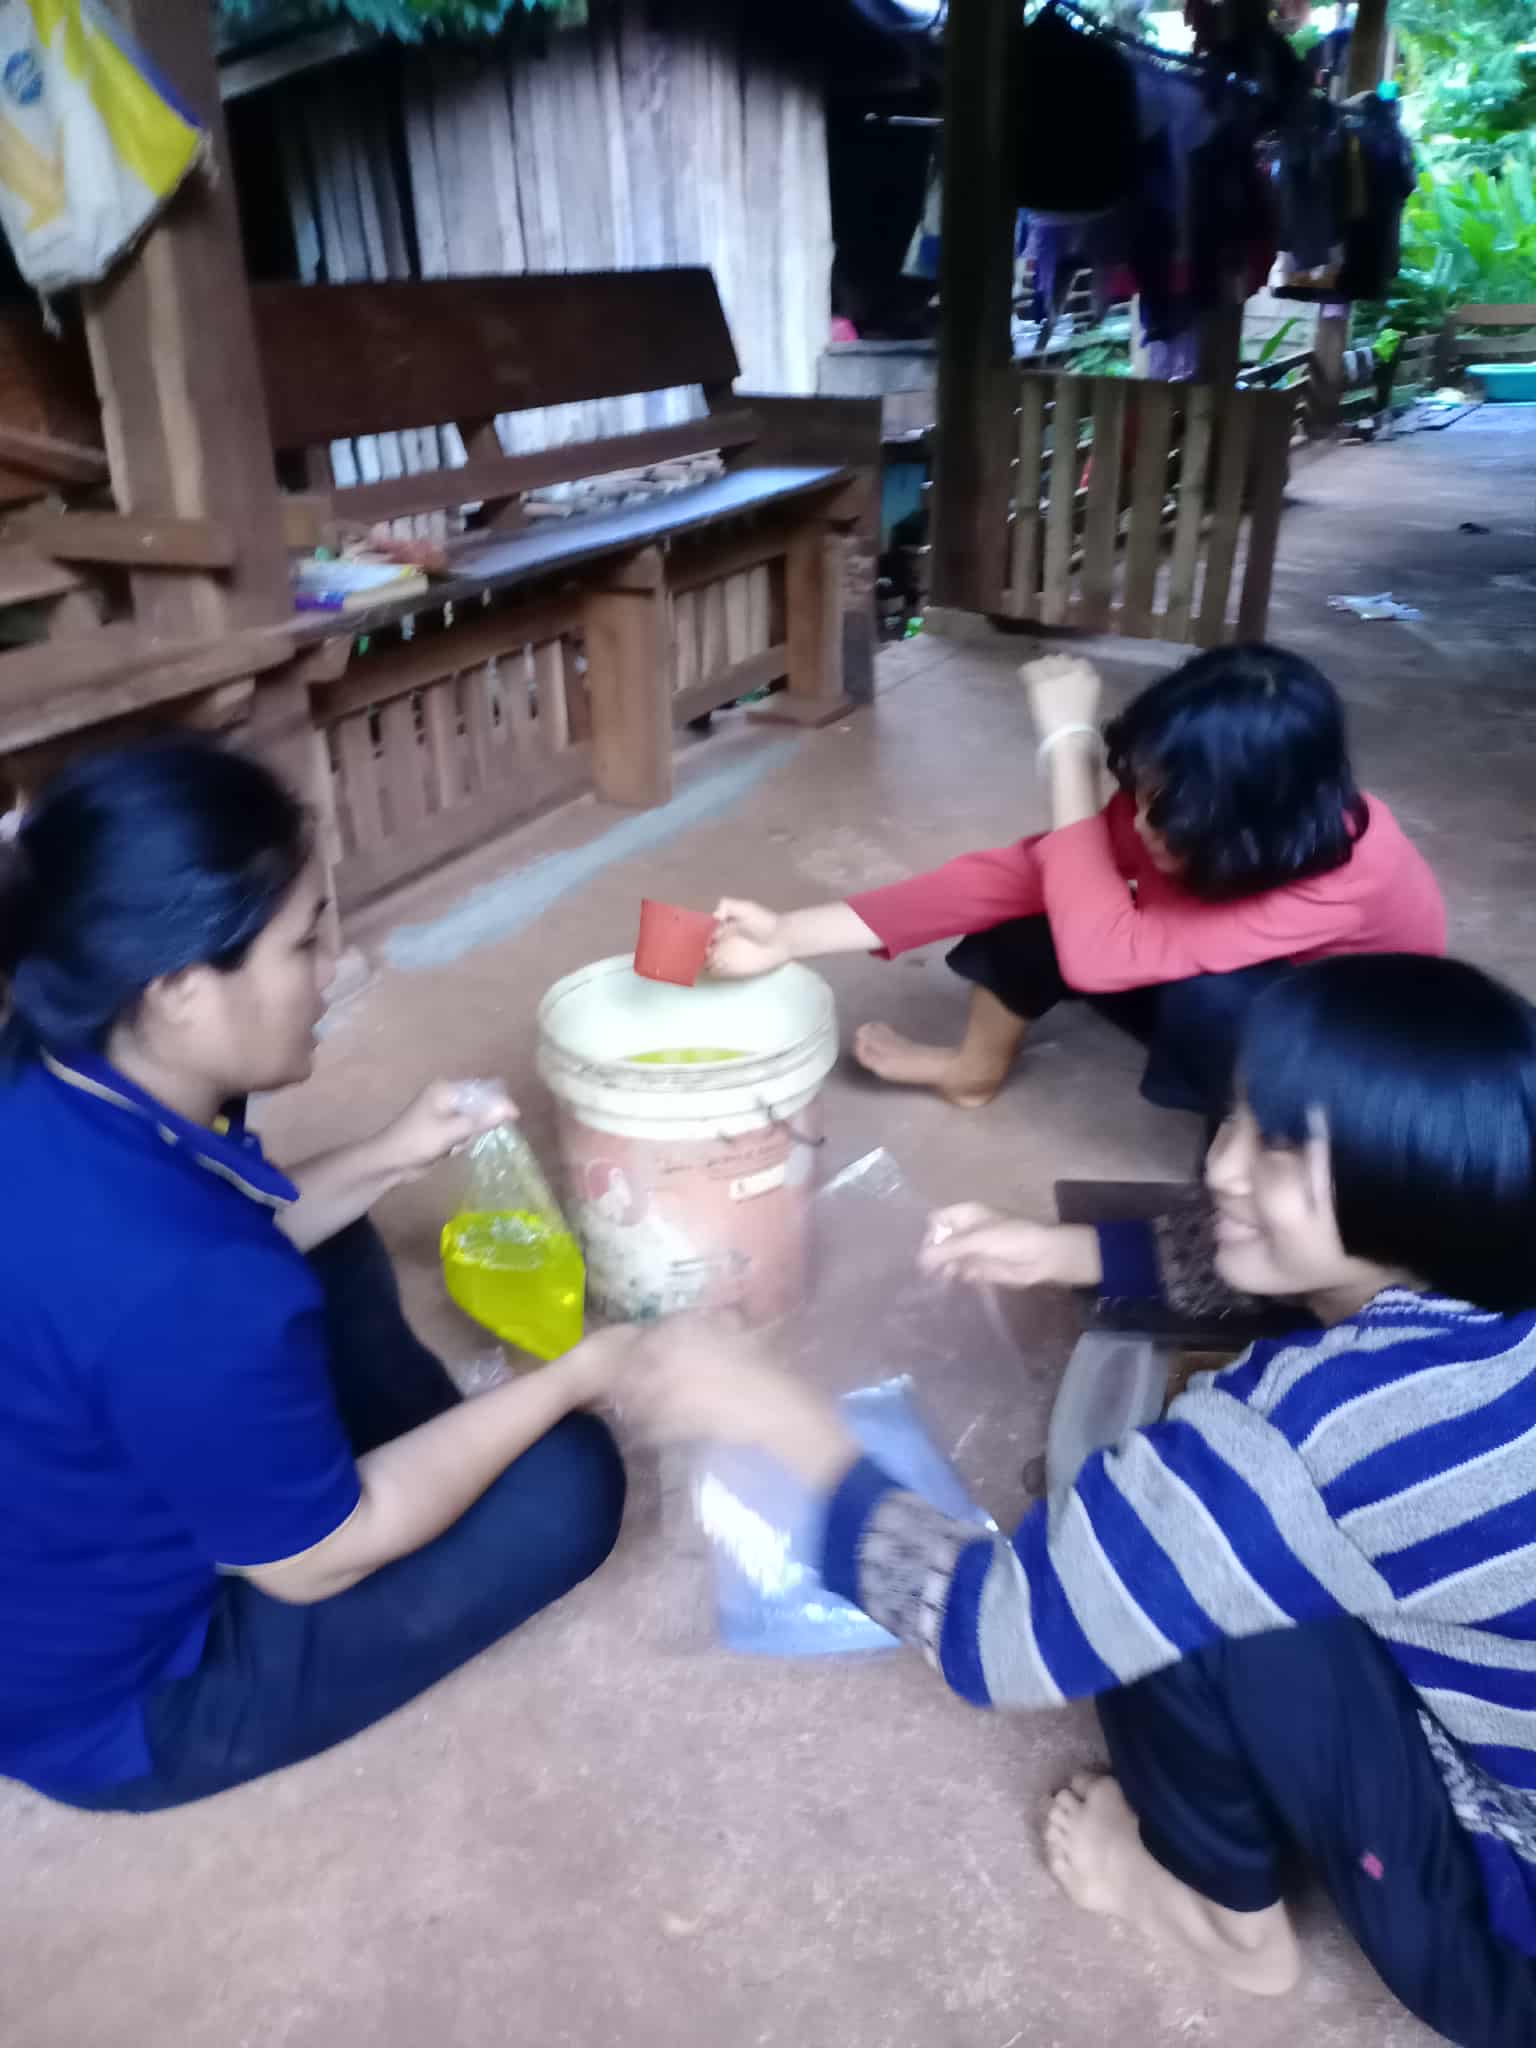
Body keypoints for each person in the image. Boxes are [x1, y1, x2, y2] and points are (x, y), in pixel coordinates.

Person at [619, 955, 1536, 2045]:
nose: (1227, 1162)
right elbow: (1336, 1257)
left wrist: (775, 1419)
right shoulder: (1488, 1261)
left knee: (1157, 1551)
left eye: (1285, 1146)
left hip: (1505, 1949)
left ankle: (1223, 1923)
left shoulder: (1315, 1433)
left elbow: (1001, 1634)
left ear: (1413, 1177)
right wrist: (1073, 1248)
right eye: (1237, 1113)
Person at [0, 740, 631, 1813]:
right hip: (119, 1701)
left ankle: (344, 1462)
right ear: (182, 989)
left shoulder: (50, 1055)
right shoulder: (184, 1284)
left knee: (318, 1237)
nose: (333, 964)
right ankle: (373, 1474)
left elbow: (219, 1219)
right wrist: (581, 1374)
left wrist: (397, 1144)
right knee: (568, 1481)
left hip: (62, 1512)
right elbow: (310, 1564)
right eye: (303, 942)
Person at [707, 646, 1445, 1120]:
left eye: (1170, 817)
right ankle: (972, 1070)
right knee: (1058, 885)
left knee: (1203, 993)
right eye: (1143, 795)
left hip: (1337, 1059)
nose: (1144, 824)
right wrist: (789, 934)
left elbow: (1103, 958)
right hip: (1203, 964)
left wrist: (1068, 751)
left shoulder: (1345, 879)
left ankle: (1246, 1142)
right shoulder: (1184, 802)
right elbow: (1014, 877)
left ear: (1250, 825)